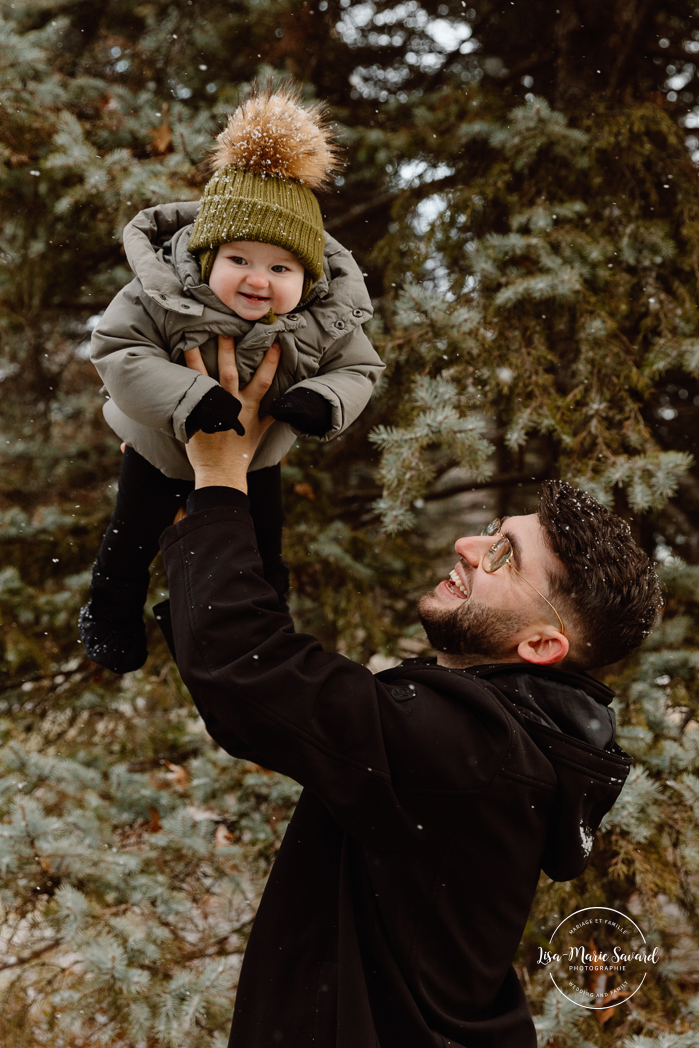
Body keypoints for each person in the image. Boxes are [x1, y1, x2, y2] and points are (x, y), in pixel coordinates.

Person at [158, 340, 661, 1048]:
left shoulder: (472, 750)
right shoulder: (505, 745)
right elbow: (258, 664)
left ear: (542, 646)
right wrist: (247, 470)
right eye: (493, 532)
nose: (465, 543)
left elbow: (245, 667)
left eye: (503, 556)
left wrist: (216, 476)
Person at [79, 85, 383, 673]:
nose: (257, 280)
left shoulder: (322, 320)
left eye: (280, 267)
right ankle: (110, 611)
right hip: (159, 448)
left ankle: (262, 640)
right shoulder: (163, 295)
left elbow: (359, 369)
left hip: (256, 458)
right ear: (206, 257)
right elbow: (119, 352)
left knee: (261, 551)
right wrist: (191, 399)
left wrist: (322, 400)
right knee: (131, 539)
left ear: (310, 278)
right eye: (238, 260)